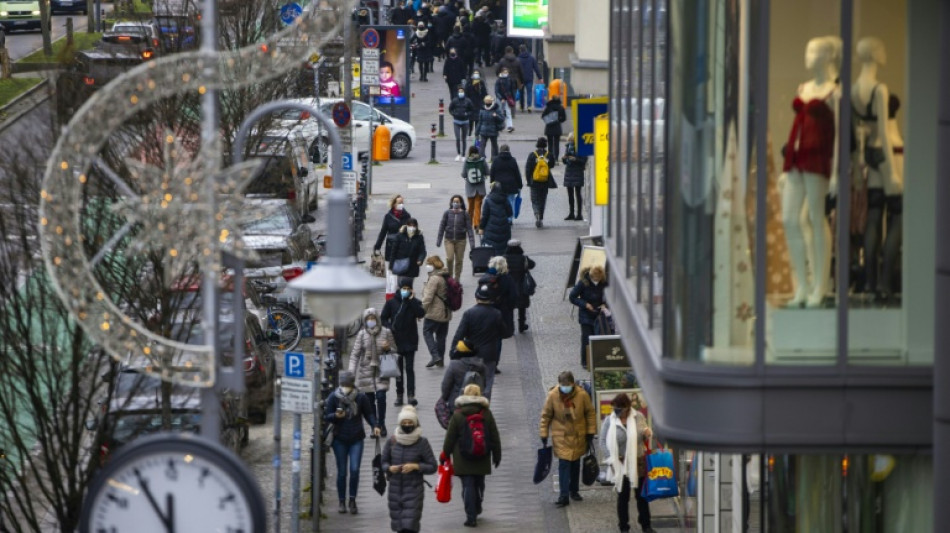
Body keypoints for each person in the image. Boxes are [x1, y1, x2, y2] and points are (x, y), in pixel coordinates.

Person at [442, 384, 501, 528]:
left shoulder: (457, 414)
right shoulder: (486, 413)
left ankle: (471, 516)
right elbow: (494, 435)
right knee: (479, 483)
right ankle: (478, 503)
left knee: (467, 486)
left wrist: (445, 454)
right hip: (482, 455)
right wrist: (497, 455)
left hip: (463, 457)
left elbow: (450, 437)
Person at [324, 371, 381, 515]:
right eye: (343, 385)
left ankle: (352, 500)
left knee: (355, 470)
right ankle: (342, 501)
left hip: (356, 438)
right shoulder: (333, 397)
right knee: (342, 472)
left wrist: (375, 425)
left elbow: (368, 413)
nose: (345, 388)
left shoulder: (360, 397)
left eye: (347, 385)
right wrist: (335, 416)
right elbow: (327, 416)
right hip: (339, 439)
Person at [539, 370, 596, 508]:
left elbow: (590, 414)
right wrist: (544, 433)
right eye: (563, 385)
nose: (565, 388)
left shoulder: (582, 395)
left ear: (572, 383)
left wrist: (590, 432)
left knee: (575, 464)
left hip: (578, 435)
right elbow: (546, 416)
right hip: (561, 435)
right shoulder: (553, 395)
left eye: (567, 385)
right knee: (564, 465)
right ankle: (564, 495)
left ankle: (574, 490)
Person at [600, 392, 655, 533]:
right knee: (623, 497)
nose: (616, 411)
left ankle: (646, 525)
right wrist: (611, 459)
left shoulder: (638, 417)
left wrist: (647, 433)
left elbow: (643, 432)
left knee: (641, 496)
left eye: (619, 409)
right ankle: (623, 527)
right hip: (619, 463)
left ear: (627, 407)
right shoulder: (609, 420)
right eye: (615, 408)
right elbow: (602, 441)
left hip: (638, 461)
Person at [382, 405, 438, 533]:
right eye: (404, 423)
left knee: (410, 525)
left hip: (414, 489)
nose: (407, 425)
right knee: (399, 526)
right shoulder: (392, 441)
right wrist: (389, 468)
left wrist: (416, 466)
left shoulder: (422, 442)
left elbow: (433, 466)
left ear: (415, 423)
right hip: (395, 490)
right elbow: (383, 462)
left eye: (410, 422)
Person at [450, 283, 510, 398]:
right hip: (489, 354)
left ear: (476, 298)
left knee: (469, 380)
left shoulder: (469, 313)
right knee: (488, 382)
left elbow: (459, 334)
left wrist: (453, 350)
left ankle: (470, 401)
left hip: (472, 353)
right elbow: (505, 332)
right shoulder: (496, 314)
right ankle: (485, 407)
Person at [348, 308, 395, 436]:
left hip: (381, 370)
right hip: (366, 371)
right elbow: (355, 355)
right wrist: (351, 372)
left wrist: (388, 348)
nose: (370, 321)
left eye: (373, 318)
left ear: (377, 319)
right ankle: (375, 426)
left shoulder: (386, 332)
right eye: (368, 319)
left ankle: (382, 423)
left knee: (381, 397)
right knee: (369, 402)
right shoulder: (361, 335)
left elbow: (395, 352)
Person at [381, 277, 426, 407]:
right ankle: (399, 394)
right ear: (399, 289)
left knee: (410, 368)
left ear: (411, 290)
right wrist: (390, 328)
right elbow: (383, 318)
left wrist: (411, 300)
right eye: (403, 288)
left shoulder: (414, 302)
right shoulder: (391, 303)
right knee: (398, 369)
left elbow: (421, 313)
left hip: (410, 340)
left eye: (408, 289)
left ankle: (411, 395)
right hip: (396, 340)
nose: (405, 291)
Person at [374, 194, 412, 300]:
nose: (401, 204)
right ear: (394, 204)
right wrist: (377, 246)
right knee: (391, 277)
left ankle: (401, 297)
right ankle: (390, 300)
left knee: (401, 276)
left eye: (402, 202)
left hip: (402, 249)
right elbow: (383, 232)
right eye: (399, 202)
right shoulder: (388, 216)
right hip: (390, 249)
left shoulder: (407, 216)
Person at [569, 265, 607, 369]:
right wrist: (585, 304)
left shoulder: (604, 282)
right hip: (585, 315)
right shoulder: (583, 282)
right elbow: (572, 297)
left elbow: (608, 296)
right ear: (591, 276)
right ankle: (585, 361)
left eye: (598, 278)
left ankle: (596, 360)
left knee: (598, 338)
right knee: (586, 338)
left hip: (598, 314)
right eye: (594, 278)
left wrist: (605, 304)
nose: (596, 280)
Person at [421, 255, 452, 367]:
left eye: (429, 264)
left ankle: (435, 356)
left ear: (433, 265)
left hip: (434, 312)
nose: (427, 266)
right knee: (441, 337)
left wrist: (421, 311)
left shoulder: (434, 278)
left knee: (427, 332)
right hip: (445, 312)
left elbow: (428, 297)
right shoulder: (445, 275)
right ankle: (440, 360)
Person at [437, 194, 476, 279]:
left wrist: (472, 243)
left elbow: (469, 229)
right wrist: (439, 240)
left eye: (457, 202)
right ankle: (450, 277)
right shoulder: (447, 213)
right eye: (454, 202)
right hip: (449, 240)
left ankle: (457, 279)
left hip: (461, 241)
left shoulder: (465, 214)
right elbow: (442, 226)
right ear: (451, 203)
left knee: (459, 260)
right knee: (450, 258)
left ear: (461, 203)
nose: (455, 203)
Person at [440, 340, 487, 408]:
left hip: (457, 402)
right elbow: (484, 384)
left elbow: (446, 385)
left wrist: (444, 398)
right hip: (476, 403)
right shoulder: (481, 366)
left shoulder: (454, 365)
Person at [503, 239, 536, 332]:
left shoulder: (504, 258)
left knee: (510, 308)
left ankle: (511, 327)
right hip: (521, 286)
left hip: (508, 287)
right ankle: (521, 325)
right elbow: (532, 264)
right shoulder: (523, 258)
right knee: (522, 307)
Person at [525, 137, 557, 228]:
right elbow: (552, 165)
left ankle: (536, 214)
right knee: (543, 199)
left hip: (534, 181)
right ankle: (541, 217)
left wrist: (528, 180)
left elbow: (528, 169)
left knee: (534, 199)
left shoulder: (532, 155)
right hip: (545, 181)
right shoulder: (549, 155)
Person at [390, 218, 428, 288]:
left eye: (414, 226)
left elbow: (422, 251)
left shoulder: (419, 237)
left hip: (412, 266)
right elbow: (393, 251)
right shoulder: (400, 236)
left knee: (408, 286)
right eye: (410, 225)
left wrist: (420, 259)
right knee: (400, 284)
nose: (412, 228)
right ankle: (401, 297)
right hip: (401, 265)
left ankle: (408, 297)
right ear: (406, 226)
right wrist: (391, 265)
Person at [489, 144, 523, 221]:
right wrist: (520, 185)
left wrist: (491, 183)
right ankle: (509, 218)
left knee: (500, 202)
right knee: (511, 200)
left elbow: (492, 173)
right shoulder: (513, 160)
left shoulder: (496, 160)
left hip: (499, 185)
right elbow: (517, 173)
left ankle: (501, 217)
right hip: (511, 184)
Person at [478, 182, 513, 256]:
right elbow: (510, 213)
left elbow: (485, 216)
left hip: (490, 230)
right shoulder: (505, 199)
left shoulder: (488, 200)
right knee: (502, 250)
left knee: (491, 252)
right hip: (504, 229)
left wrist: (481, 228)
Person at [562, 132, 588, 221]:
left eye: (572, 141)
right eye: (570, 140)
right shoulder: (568, 147)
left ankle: (579, 214)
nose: (571, 142)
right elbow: (565, 161)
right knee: (570, 194)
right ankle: (571, 213)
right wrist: (564, 159)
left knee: (577, 194)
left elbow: (583, 160)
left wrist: (575, 159)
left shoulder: (580, 148)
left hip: (577, 171)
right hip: (569, 171)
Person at [461, 146, 489, 228]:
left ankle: (468, 224)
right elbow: (487, 172)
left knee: (470, 207)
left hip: (470, 188)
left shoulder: (467, 161)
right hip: (480, 188)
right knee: (478, 206)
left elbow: (463, 174)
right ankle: (477, 224)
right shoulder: (482, 160)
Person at [449, 85, 476, 161]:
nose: (461, 93)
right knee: (457, 138)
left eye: (462, 91)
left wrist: (467, 114)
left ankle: (463, 155)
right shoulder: (455, 100)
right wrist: (454, 114)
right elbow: (450, 109)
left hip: (465, 122)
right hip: (456, 121)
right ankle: (458, 154)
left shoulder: (468, 101)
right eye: (459, 91)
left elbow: (472, 109)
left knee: (463, 139)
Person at [475, 95, 504, 160]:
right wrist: (476, 131)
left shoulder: (494, 109)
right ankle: (486, 158)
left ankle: (491, 158)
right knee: (486, 145)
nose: (487, 103)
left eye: (488, 101)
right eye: (486, 101)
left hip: (490, 131)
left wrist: (496, 116)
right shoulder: (485, 109)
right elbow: (480, 122)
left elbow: (502, 119)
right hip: (487, 131)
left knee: (491, 145)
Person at [541, 95, 568, 162]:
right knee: (556, 144)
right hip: (557, 127)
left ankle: (550, 158)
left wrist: (549, 119)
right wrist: (558, 119)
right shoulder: (561, 108)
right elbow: (564, 118)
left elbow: (543, 116)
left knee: (550, 144)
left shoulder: (548, 107)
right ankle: (556, 158)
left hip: (549, 127)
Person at [516, 44, 542, 112]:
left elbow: (516, 70)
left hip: (521, 79)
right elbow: (536, 68)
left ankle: (522, 107)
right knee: (529, 92)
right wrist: (540, 77)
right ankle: (529, 106)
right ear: (526, 49)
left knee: (521, 92)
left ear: (520, 50)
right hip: (529, 78)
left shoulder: (518, 59)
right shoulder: (531, 58)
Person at [494, 67, 517, 132]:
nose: (505, 73)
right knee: (500, 112)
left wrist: (513, 98)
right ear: (501, 72)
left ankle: (509, 126)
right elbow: (496, 91)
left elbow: (512, 89)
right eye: (504, 72)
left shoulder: (510, 80)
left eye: (506, 72)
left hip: (508, 98)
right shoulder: (499, 80)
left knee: (508, 112)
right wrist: (501, 98)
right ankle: (500, 126)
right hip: (500, 99)